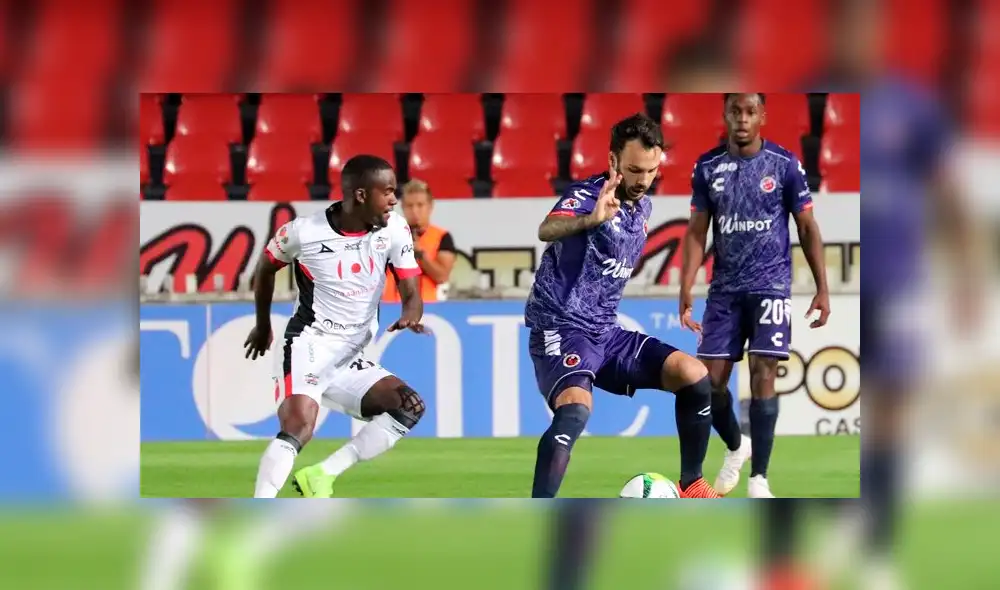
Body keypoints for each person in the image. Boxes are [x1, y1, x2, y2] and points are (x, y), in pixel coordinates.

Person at [525, 112, 720, 499]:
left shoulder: (641, 208)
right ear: (613, 161)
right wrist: (589, 219)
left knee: (694, 374)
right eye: (634, 170)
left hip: (605, 333)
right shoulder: (588, 196)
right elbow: (546, 229)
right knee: (576, 410)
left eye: (651, 171)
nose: (643, 180)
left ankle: (692, 482)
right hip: (561, 328)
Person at [244, 154, 428, 498]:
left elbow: (410, 286)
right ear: (361, 195)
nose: (393, 199)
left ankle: (322, 474)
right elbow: (266, 267)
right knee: (299, 426)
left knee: (408, 406)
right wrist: (262, 324)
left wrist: (411, 310)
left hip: (349, 356)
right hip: (308, 345)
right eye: (387, 191)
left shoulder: (394, 228)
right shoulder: (303, 233)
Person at [680, 93, 831, 498]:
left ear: (763, 115)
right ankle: (736, 445)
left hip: (771, 285)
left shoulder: (784, 165)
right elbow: (697, 231)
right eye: (735, 111)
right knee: (708, 383)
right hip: (724, 290)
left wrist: (822, 287)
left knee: (765, 373)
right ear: (725, 115)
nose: (742, 119)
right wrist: (685, 286)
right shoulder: (708, 167)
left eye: (750, 111)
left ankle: (759, 479)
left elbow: (807, 227)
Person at [382, 179, 458, 303]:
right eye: (410, 206)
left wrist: (420, 254)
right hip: (392, 307)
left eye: (420, 205)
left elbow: (442, 277)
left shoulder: (442, 237)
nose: (415, 211)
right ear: (402, 207)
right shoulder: (389, 235)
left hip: (428, 309)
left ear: (430, 206)